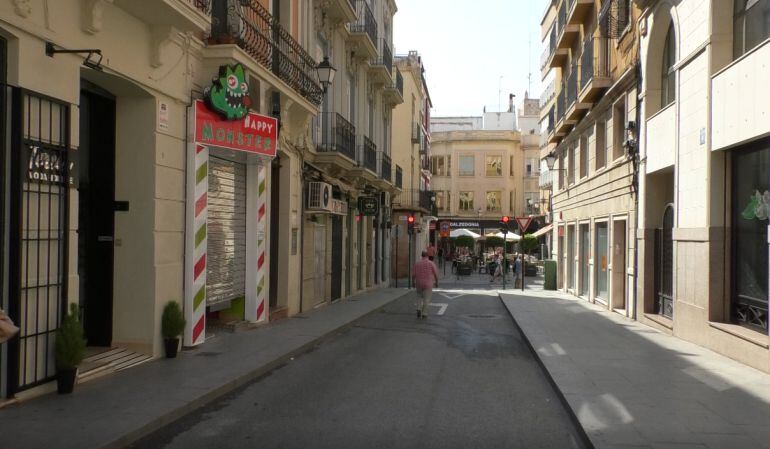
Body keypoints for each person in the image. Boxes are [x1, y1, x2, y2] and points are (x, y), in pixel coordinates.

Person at [412, 251, 439, 319]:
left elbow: (413, 275)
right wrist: (436, 282)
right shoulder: (431, 263)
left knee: (418, 296)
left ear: (421, 256)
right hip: (428, 283)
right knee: (426, 299)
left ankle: (418, 309)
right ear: (427, 256)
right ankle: (424, 313)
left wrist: (413, 282)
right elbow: (435, 274)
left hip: (419, 283)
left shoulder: (417, 263)